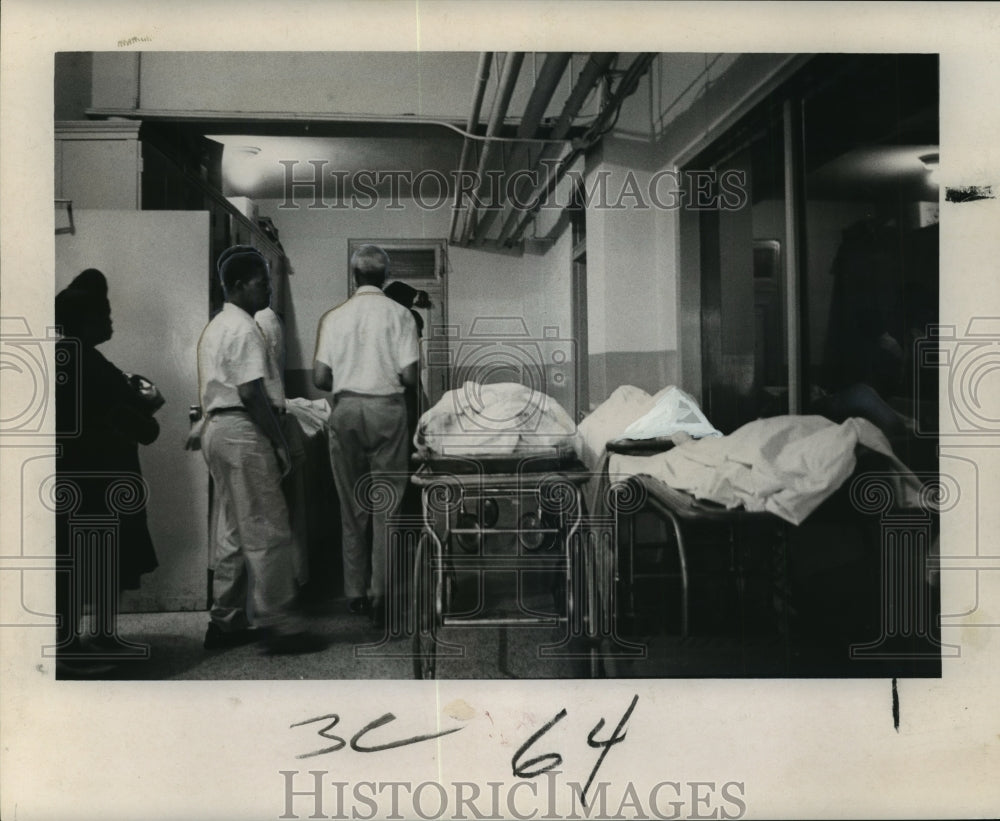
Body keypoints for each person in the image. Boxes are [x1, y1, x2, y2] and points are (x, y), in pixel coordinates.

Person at [197, 245, 324, 654]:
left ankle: (226, 621)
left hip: (219, 430)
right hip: (242, 430)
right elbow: (252, 394)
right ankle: (281, 626)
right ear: (236, 286)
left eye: (268, 282)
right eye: (260, 283)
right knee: (268, 526)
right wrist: (279, 440)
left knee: (234, 529)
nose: (267, 290)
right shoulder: (244, 329)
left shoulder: (217, 326)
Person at [54, 270, 161, 676]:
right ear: (86, 321)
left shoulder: (64, 357)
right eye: (106, 314)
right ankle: (75, 645)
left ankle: (84, 638)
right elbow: (142, 425)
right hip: (100, 480)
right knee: (96, 563)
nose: (112, 321)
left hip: (73, 479)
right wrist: (148, 405)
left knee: (77, 563)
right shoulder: (93, 365)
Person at [313, 245, 419, 627]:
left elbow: (320, 378)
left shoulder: (334, 318)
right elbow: (409, 378)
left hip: (345, 411)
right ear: (385, 276)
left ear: (354, 275)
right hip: (387, 409)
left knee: (351, 507)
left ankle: (355, 593)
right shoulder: (401, 315)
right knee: (388, 510)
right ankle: (381, 596)